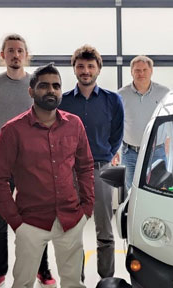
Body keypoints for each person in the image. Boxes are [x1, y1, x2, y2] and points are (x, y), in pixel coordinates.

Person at [0, 63, 94, 288]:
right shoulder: (12, 131)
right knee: (24, 283)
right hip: (31, 222)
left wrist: (87, 209)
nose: (51, 91)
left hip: (70, 219)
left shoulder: (74, 124)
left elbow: (85, 167)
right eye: (44, 86)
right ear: (31, 91)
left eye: (56, 86)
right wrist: (16, 222)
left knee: (73, 282)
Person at [0, 34, 55, 288]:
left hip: (34, 161)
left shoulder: (38, 85)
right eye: (10, 50)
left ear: (26, 54)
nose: (15, 54)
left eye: (19, 50)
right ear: (3, 55)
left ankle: (42, 269)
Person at [59, 44, 124, 279]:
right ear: (74, 69)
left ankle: (106, 280)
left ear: (98, 69)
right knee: (72, 231)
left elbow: (117, 135)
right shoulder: (63, 102)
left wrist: (105, 155)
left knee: (105, 231)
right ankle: (76, 280)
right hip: (70, 174)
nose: (85, 70)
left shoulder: (112, 101)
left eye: (90, 66)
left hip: (101, 171)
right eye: (80, 66)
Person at [118, 55, 169, 191]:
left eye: (145, 70)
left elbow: (170, 120)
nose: (141, 74)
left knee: (158, 190)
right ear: (131, 72)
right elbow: (116, 124)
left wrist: (169, 142)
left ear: (151, 71)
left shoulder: (164, 93)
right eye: (137, 70)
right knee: (132, 191)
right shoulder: (121, 95)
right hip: (130, 153)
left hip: (156, 151)